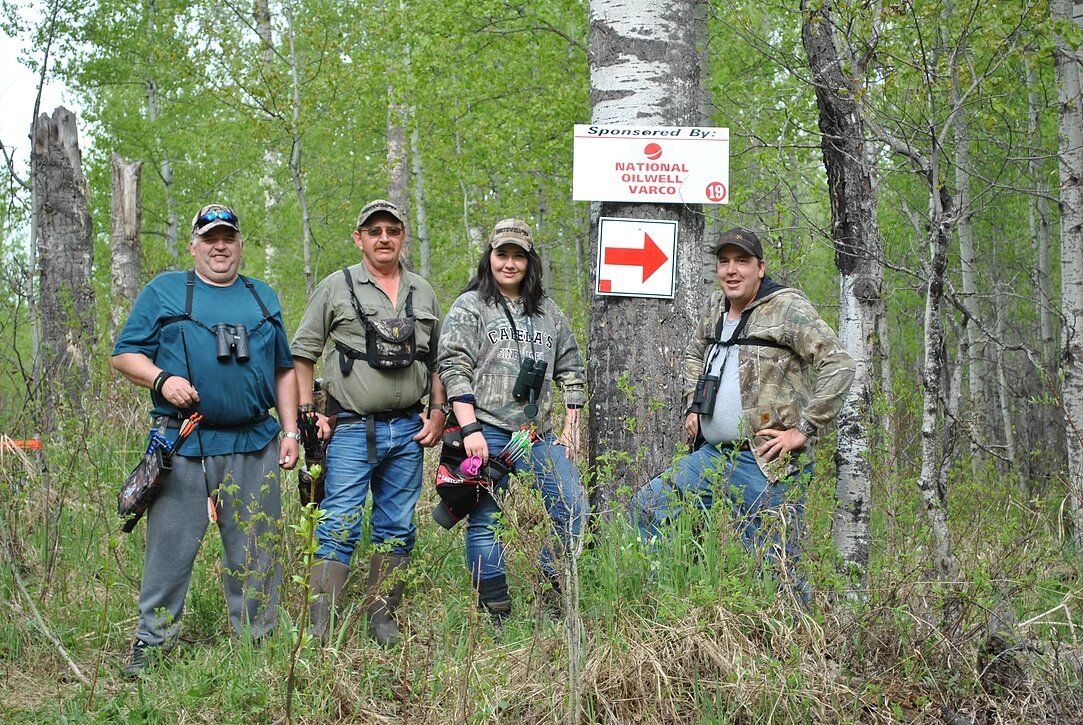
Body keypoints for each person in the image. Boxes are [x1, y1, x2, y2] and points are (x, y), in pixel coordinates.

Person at [111, 204, 299, 676]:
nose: (220, 246)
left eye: (228, 238)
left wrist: (290, 430)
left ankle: (259, 643)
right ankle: (152, 645)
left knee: (257, 547)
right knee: (170, 549)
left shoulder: (262, 297)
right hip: (184, 443)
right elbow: (124, 354)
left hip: (255, 442)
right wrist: (161, 381)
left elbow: (284, 369)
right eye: (210, 238)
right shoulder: (164, 291)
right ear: (194, 245)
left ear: (239, 244)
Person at [631, 228, 855, 595]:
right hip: (713, 456)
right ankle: (674, 607)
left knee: (776, 566)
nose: (731, 271)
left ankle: (796, 643)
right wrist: (694, 404)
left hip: (767, 461)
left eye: (741, 261)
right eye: (724, 262)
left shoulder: (786, 307)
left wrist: (803, 428)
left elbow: (839, 363)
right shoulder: (715, 307)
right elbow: (694, 354)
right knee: (651, 505)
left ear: (760, 268)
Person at [291, 199, 446, 646]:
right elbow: (302, 353)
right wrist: (308, 413)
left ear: (402, 237)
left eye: (392, 230)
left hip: (407, 430)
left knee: (396, 525)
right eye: (374, 230)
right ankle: (321, 628)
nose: (384, 238)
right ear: (359, 238)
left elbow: (439, 361)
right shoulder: (336, 287)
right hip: (350, 429)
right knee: (339, 522)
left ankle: (382, 617)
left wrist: (437, 411)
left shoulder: (423, 290)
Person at [438, 218, 587, 624]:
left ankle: (552, 595)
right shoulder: (470, 307)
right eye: (501, 255)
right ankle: (495, 612)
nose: (509, 264)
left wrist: (571, 430)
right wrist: (469, 428)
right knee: (485, 519)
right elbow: (453, 365)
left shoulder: (548, 312)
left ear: (529, 261)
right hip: (485, 428)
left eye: (518, 256)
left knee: (572, 509)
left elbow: (572, 368)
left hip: (536, 434)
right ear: (489, 258)